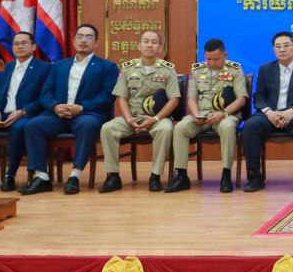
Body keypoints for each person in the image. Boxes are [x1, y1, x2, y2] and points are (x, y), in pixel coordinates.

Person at [19, 24, 119, 195]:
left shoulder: (107, 67)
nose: (83, 40)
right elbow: (46, 92)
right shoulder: (59, 66)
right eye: (80, 36)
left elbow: (107, 96)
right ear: (73, 42)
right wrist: (55, 106)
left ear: (96, 43)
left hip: (87, 114)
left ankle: (74, 176)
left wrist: (82, 107)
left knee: (88, 125)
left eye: (89, 37)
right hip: (58, 115)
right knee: (33, 125)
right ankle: (42, 177)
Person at [97, 30, 180, 194]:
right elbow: (121, 97)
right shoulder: (128, 68)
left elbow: (174, 100)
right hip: (132, 118)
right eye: (146, 41)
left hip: (157, 118)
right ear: (139, 46)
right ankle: (113, 176)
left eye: (154, 42)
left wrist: (155, 119)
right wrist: (128, 119)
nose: (150, 45)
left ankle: (155, 176)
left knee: (165, 129)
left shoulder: (168, 70)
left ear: (160, 48)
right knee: (107, 128)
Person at [239, 31, 293, 193]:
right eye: (278, 46)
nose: (282, 49)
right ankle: (255, 176)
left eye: (286, 45)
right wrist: (269, 112)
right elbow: (259, 96)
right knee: (250, 126)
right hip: (270, 115)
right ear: (274, 49)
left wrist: (292, 110)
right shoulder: (266, 69)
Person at [0, 31, 50, 192]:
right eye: (16, 44)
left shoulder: (44, 68)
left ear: (33, 47)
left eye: (23, 43)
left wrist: (22, 112)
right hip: (0, 114)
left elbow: (44, 99)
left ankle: (10, 175)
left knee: (18, 128)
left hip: (26, 115)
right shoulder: (5, 68)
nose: (19, 47)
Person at [171, 38, 247, 193]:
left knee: (227, 127)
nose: (211, 63)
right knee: (180, 128)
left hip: (226, 114)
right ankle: (181, 176)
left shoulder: (235, 70)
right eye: (208, 59)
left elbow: (241, 99)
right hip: (202, 115)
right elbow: (191, 98)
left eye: (216, 59)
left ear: (225, 55)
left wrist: (223, 114)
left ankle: (226, 175)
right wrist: (196, 114)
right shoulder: (197, 70)